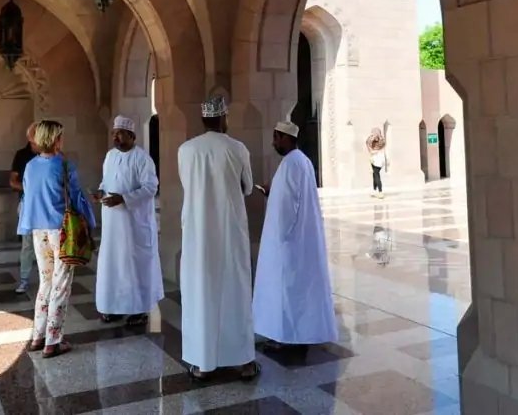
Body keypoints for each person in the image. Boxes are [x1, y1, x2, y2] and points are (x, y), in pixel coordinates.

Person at [177, 94, 260, 381]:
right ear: (224, 118)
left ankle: (202, 363)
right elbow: (248, 187)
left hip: (198, 234)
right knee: (234, 291)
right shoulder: (237, 148)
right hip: (229, 232)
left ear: (203, 119)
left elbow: (189, 185)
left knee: (201, 293)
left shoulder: (186, 150)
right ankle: (243, 362)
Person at [253, 121, 338, 352]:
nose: (273, 142)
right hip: (298, 240)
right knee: (296, 291)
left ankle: (288, 339)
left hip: (289, 242)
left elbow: (288, 204)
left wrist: (278, 237)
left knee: (288, 291)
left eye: (276, 137)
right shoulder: (301, 161)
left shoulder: (292, 163)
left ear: (286, 138)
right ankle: (295, 336)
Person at [18, 120, 97, 358]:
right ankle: (53, 340)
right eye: (60, 137)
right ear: (54, 139)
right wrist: (89, 222)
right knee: (61, 284)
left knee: (45, 282)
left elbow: (28, 196)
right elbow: (75, 198)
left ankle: (37, 337)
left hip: (38, 231)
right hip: (61, 231)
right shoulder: (64, 165)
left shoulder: (30, 166)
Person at [94, 115, 163, 327]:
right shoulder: (110, 156)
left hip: (134, 225)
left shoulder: (143, 158)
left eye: (120, 133)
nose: (115, 137)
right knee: (114, 266)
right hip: (113, 224)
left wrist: (124, 198)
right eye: (114, 133)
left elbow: (151, 187)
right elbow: (107, 181)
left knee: (134, 266)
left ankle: (140, 309)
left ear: (132, 136)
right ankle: (114, 307)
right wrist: (100, 191)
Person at [10, 123, 39, 294]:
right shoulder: (22, 156)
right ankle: (24, 279)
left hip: (45, 206)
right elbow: (13, 181)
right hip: (28, 204)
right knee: (27, 244)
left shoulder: (50, 155)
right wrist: (29, 188)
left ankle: (48, 279)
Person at [366, 127, 387, 196]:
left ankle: (380, 191)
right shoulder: (370, 139)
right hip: (374, 157)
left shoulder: (381, 140)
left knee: (376, 174)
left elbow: (382, 147)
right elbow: (368, 145)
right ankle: (375, 190)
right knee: (375, 174)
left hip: (379, 158)